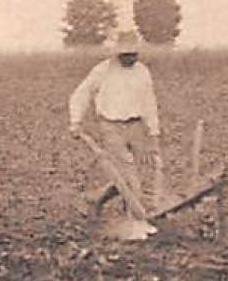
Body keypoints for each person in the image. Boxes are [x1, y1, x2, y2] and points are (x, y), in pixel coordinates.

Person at [69, 29, 164, 219]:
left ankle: (97, 198)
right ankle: (134, 222)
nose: (131, 58)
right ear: (118, 53)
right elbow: (82, 93)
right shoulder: (102, 70)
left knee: (149, 169)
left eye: (134, 54)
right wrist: (76, 121)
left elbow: (149, 103)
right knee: (129, 176)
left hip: (136, 126)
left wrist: (153, 134)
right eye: (126, 54)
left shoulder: (142, 72)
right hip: (111, 127)